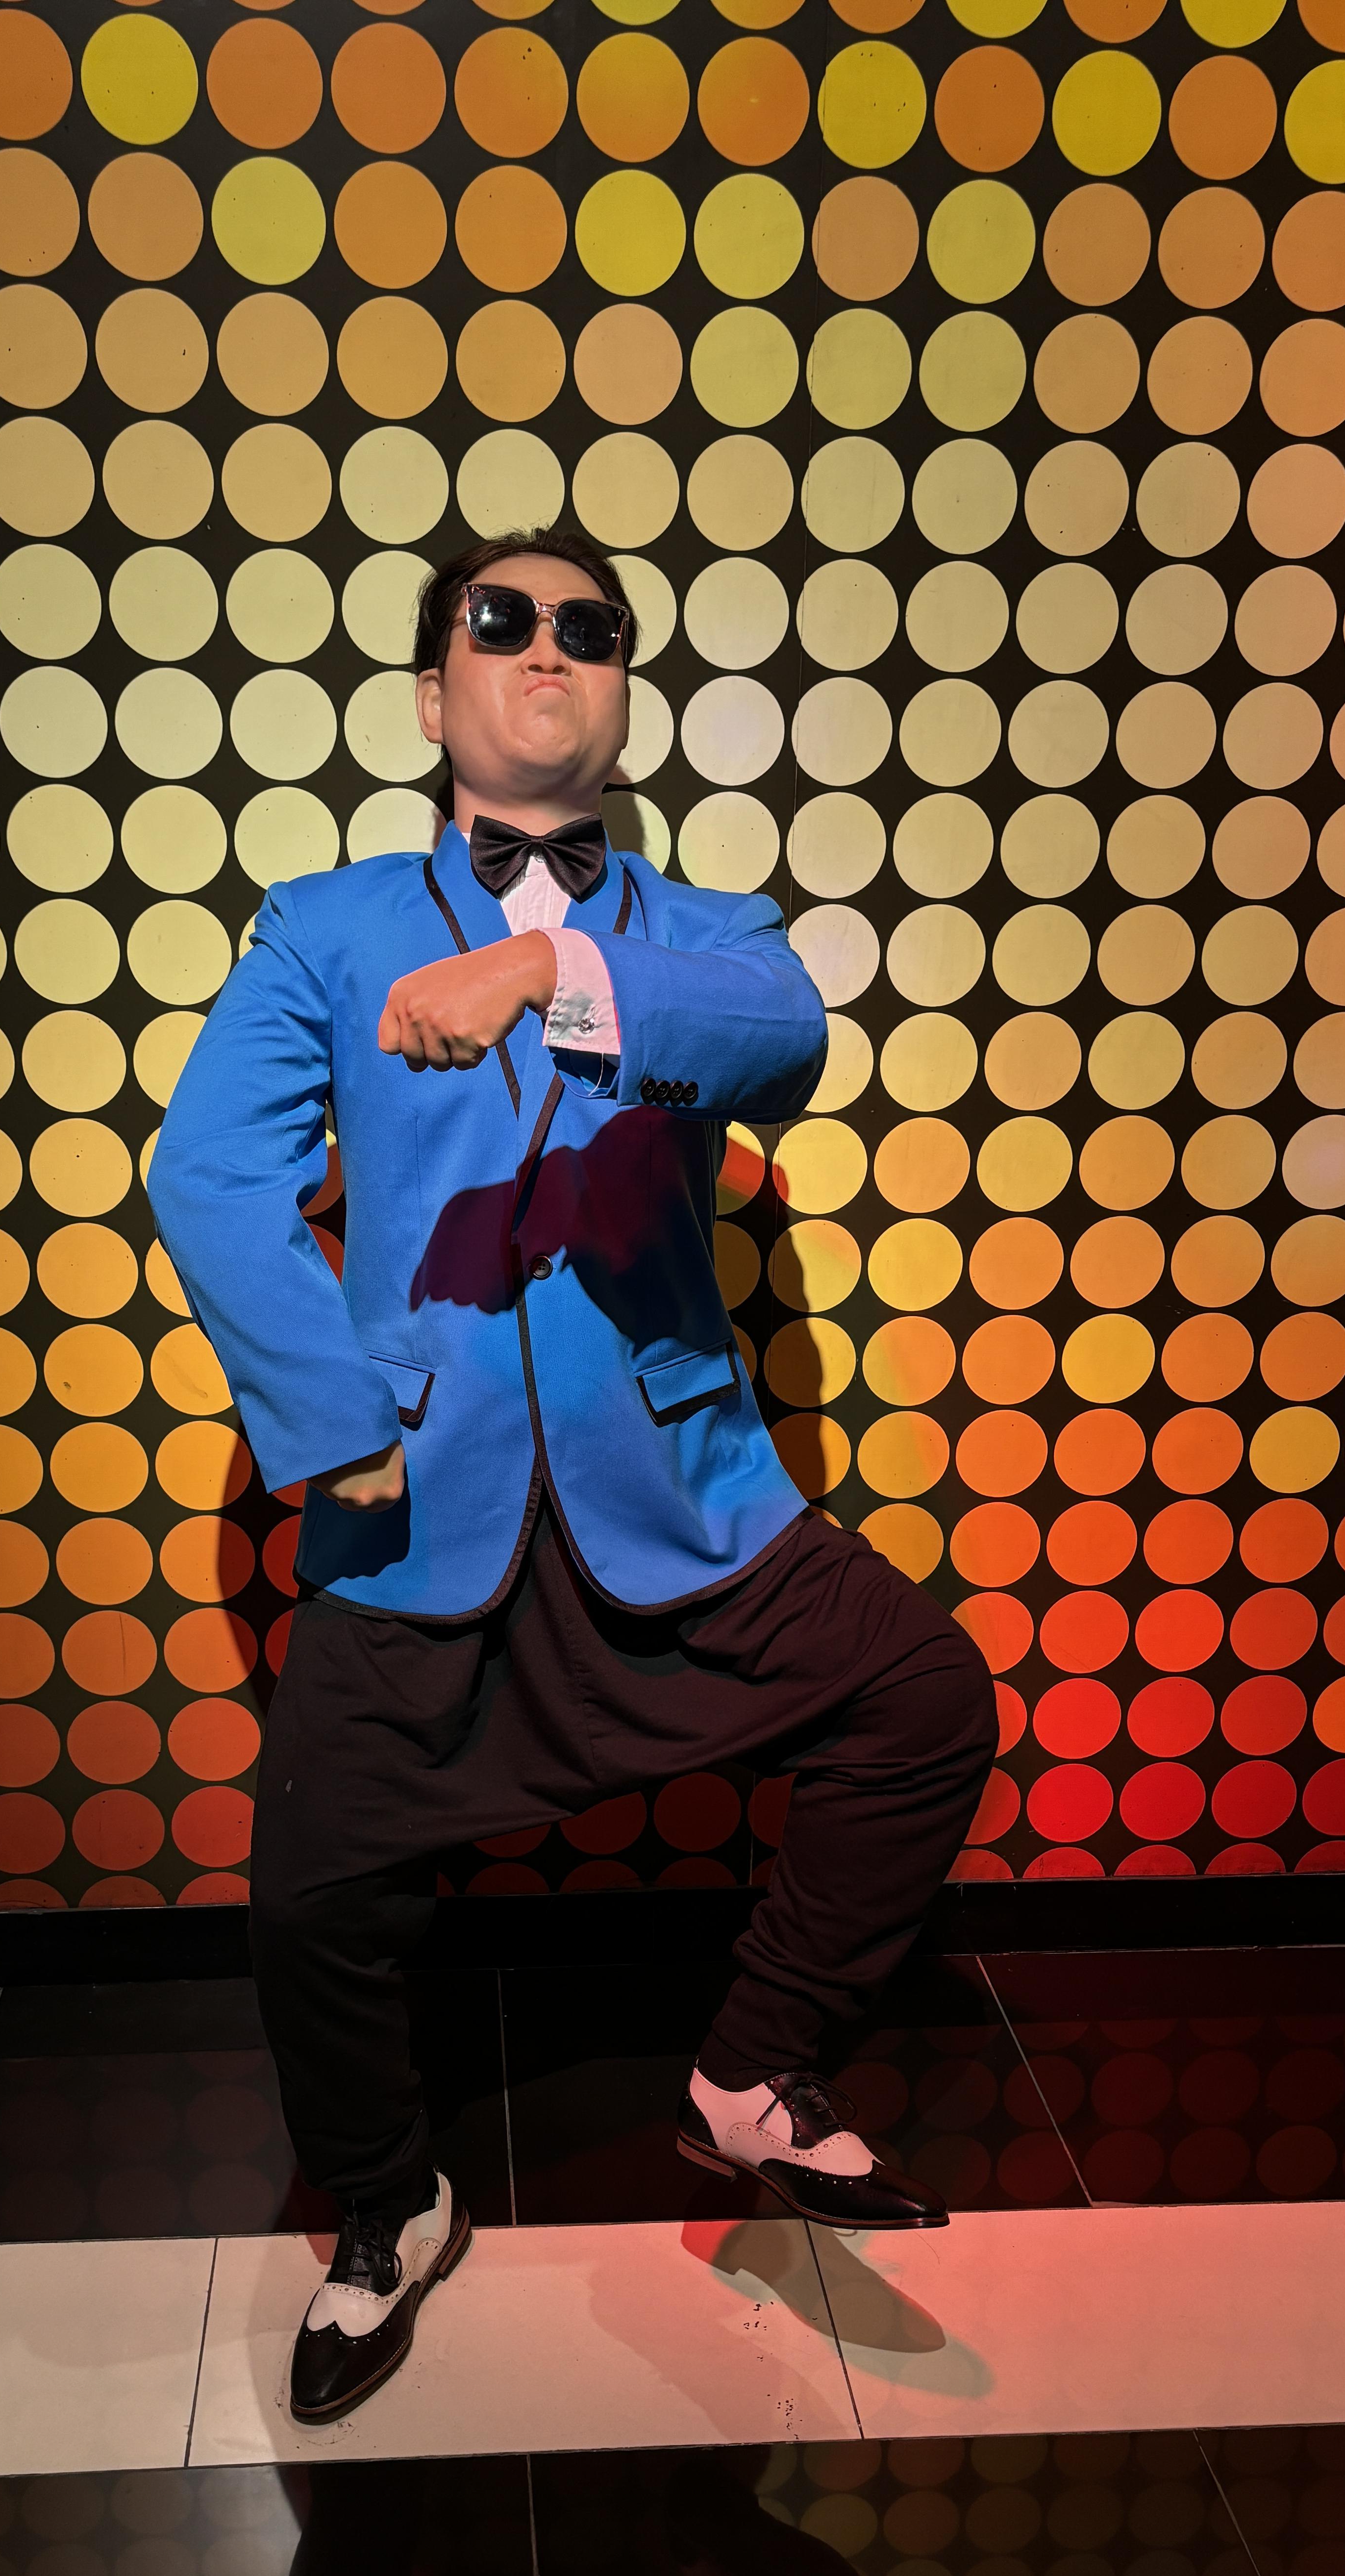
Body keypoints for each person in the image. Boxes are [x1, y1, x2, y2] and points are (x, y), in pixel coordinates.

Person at [150, 527, 995, 2426]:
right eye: (501, 622)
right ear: (432, 691)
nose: (547, 649)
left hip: (678, 1492)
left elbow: (783, 1043)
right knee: (314, 1911)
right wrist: (334, 1424)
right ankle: (388, 2207)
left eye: (588, 630)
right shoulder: (322, 927)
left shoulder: (709, 932)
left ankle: (748, 2078)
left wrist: (545, 966)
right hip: (413, 1499)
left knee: (924, 1698)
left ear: (621, 693)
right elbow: (208, 1176)